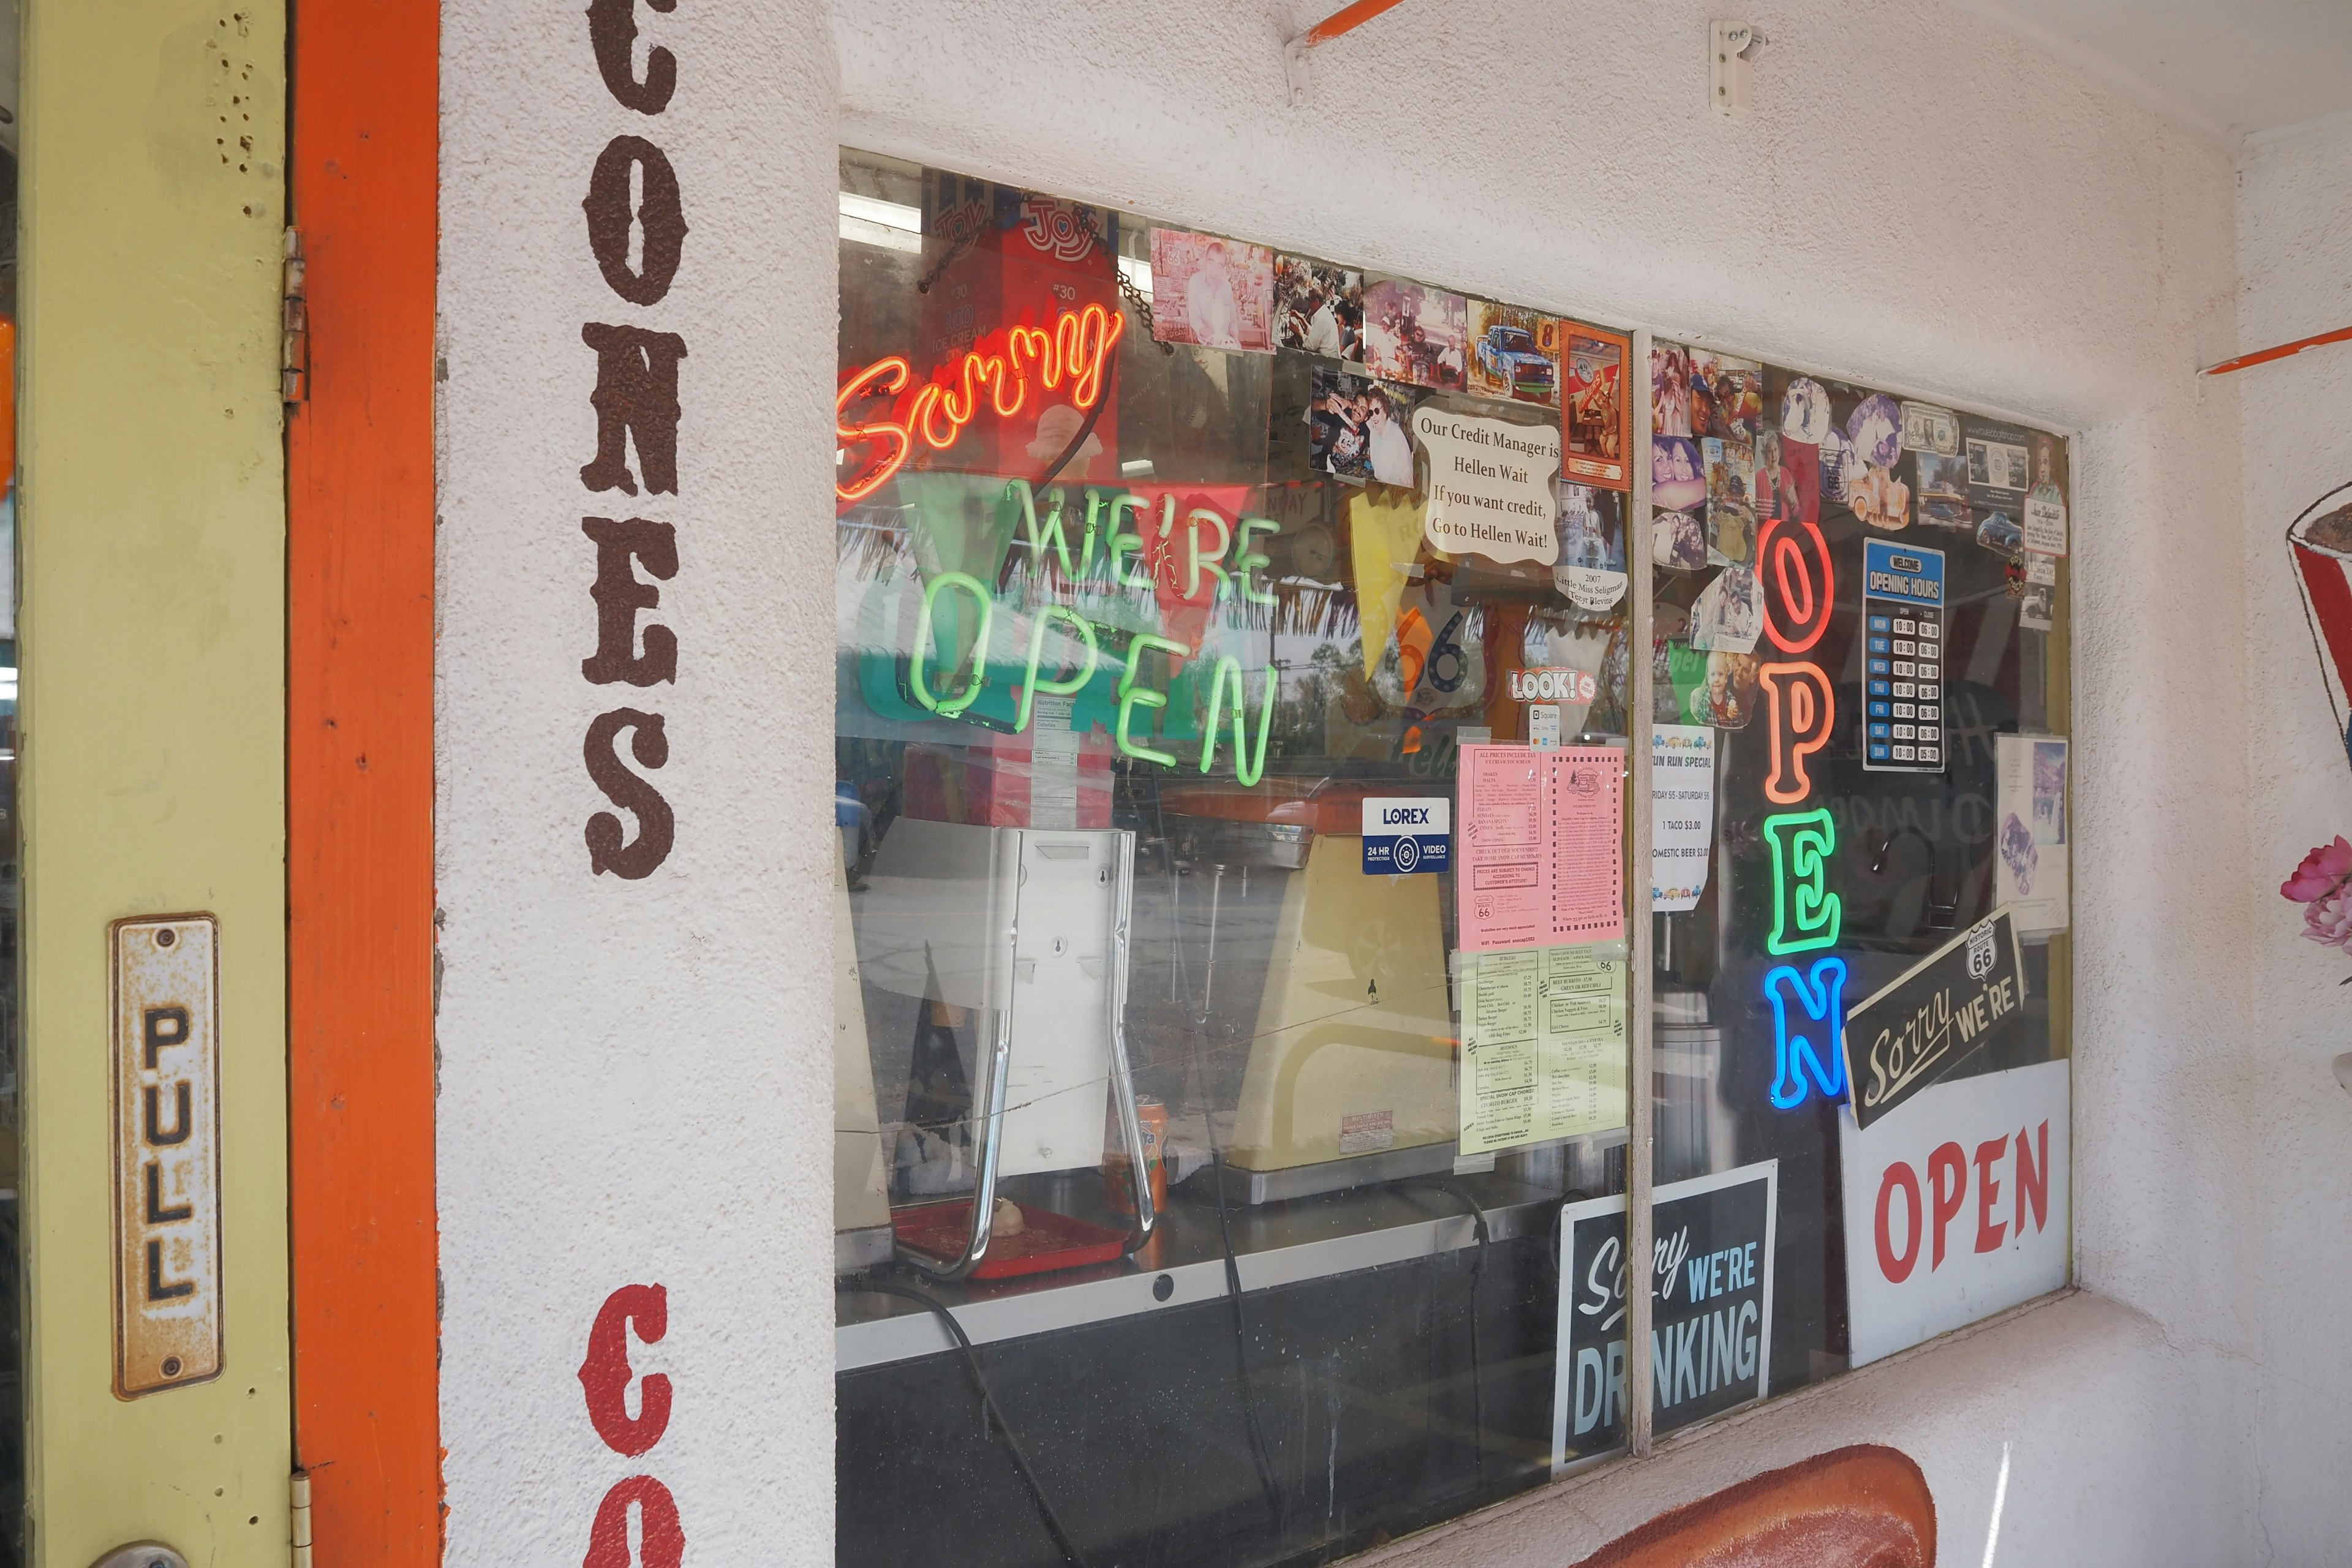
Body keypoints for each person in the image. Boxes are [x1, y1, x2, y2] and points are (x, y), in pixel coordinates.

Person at [1184, 240, 1242, 349]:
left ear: (1224, 268)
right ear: (1205, 261)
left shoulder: (1227, 287)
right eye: (1211, 263)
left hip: (1226, 346)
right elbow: (1195, 319)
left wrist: (1235, 339)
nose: (1214, 271)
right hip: (1203, 346)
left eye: (1219, 266)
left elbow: (1233, 320)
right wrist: (1213, 336)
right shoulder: (1195, 282)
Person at [1366, 391, 1413, 487]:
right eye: (1371, 412)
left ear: (1385, 411)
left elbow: (1407, 478)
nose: (1374, 416)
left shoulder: (1397, 435)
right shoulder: (1374, 432)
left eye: (1377, 411)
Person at [1303, 285, 1344, 358]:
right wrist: (1302, 320)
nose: (1309, 305)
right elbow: (1316, 334)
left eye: (1310, 302)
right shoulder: (1324, 313)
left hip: (1328, 363)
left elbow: (1311, 346)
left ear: (1316, 302)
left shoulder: (1322, 318)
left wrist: (1299, 332)